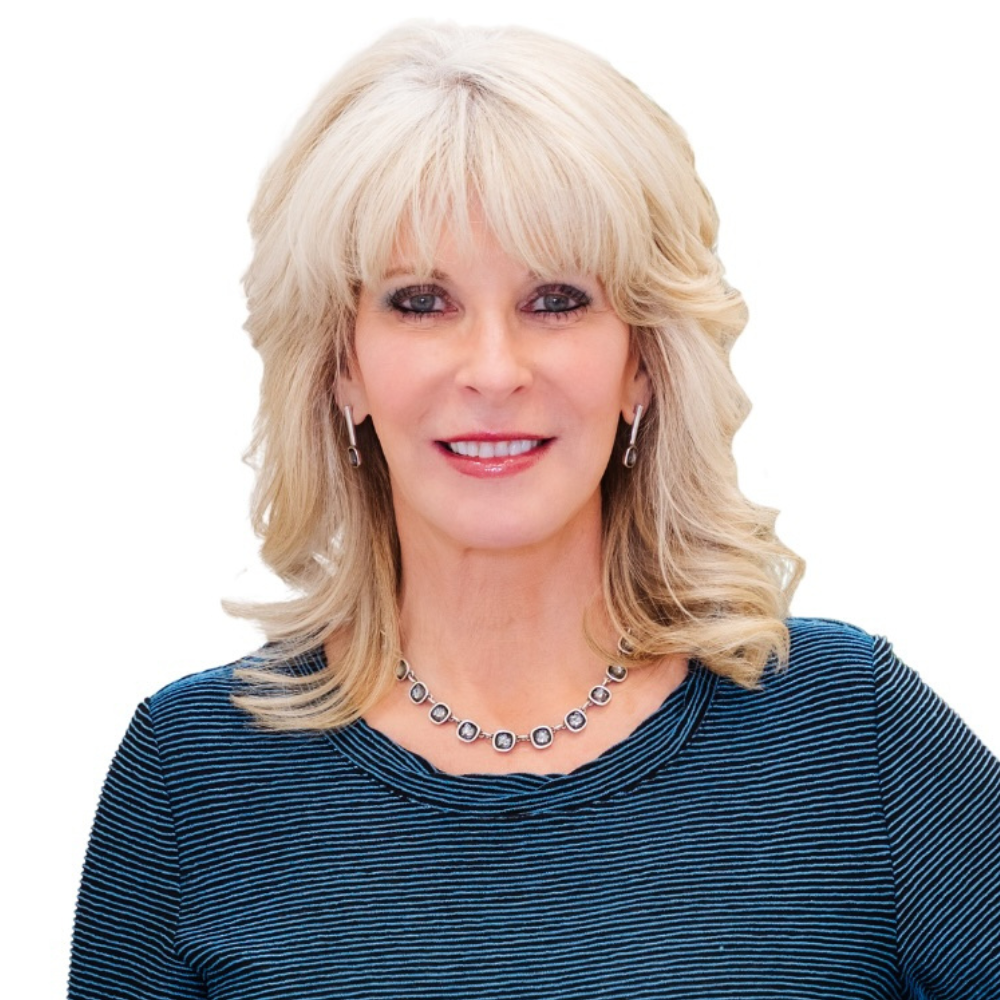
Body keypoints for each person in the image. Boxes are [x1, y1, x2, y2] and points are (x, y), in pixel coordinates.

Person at [68, 22, 1000, 1000]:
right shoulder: (192, 776)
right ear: (342, 363)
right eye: (420, 301)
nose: (493, 370)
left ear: (643, 360)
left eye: (555, 299)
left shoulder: (848, 735)